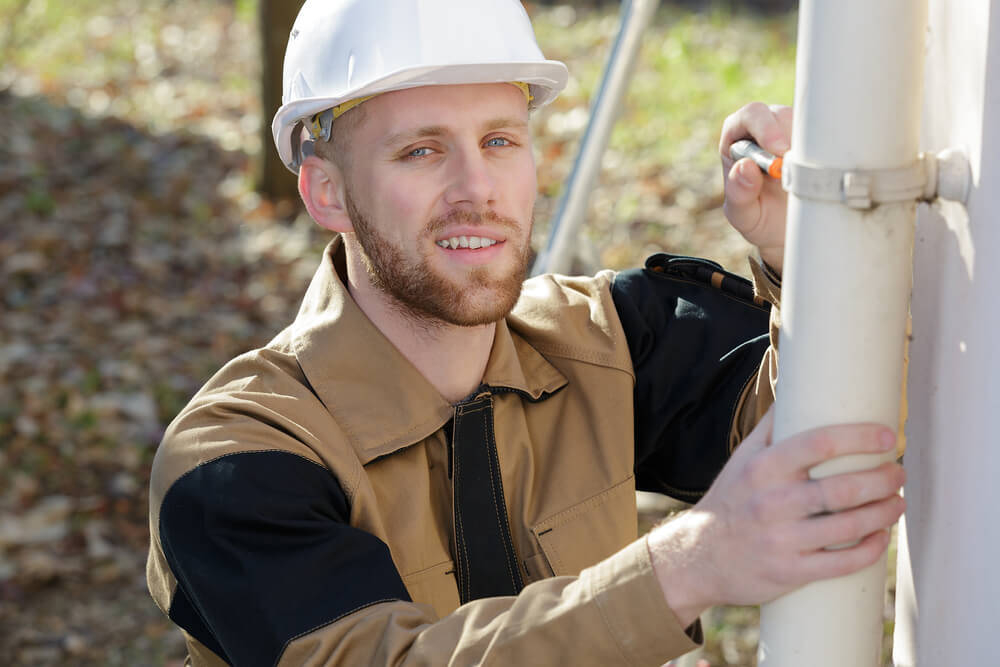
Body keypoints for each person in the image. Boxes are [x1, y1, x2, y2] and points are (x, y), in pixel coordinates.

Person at [146, 1, 905, 665]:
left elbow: (858, 437)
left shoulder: (608, 341)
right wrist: (690, 562)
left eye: (501, 141)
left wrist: (804, 258)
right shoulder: (234, 458)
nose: (477, 191)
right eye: (421, 150)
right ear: (327, 191)